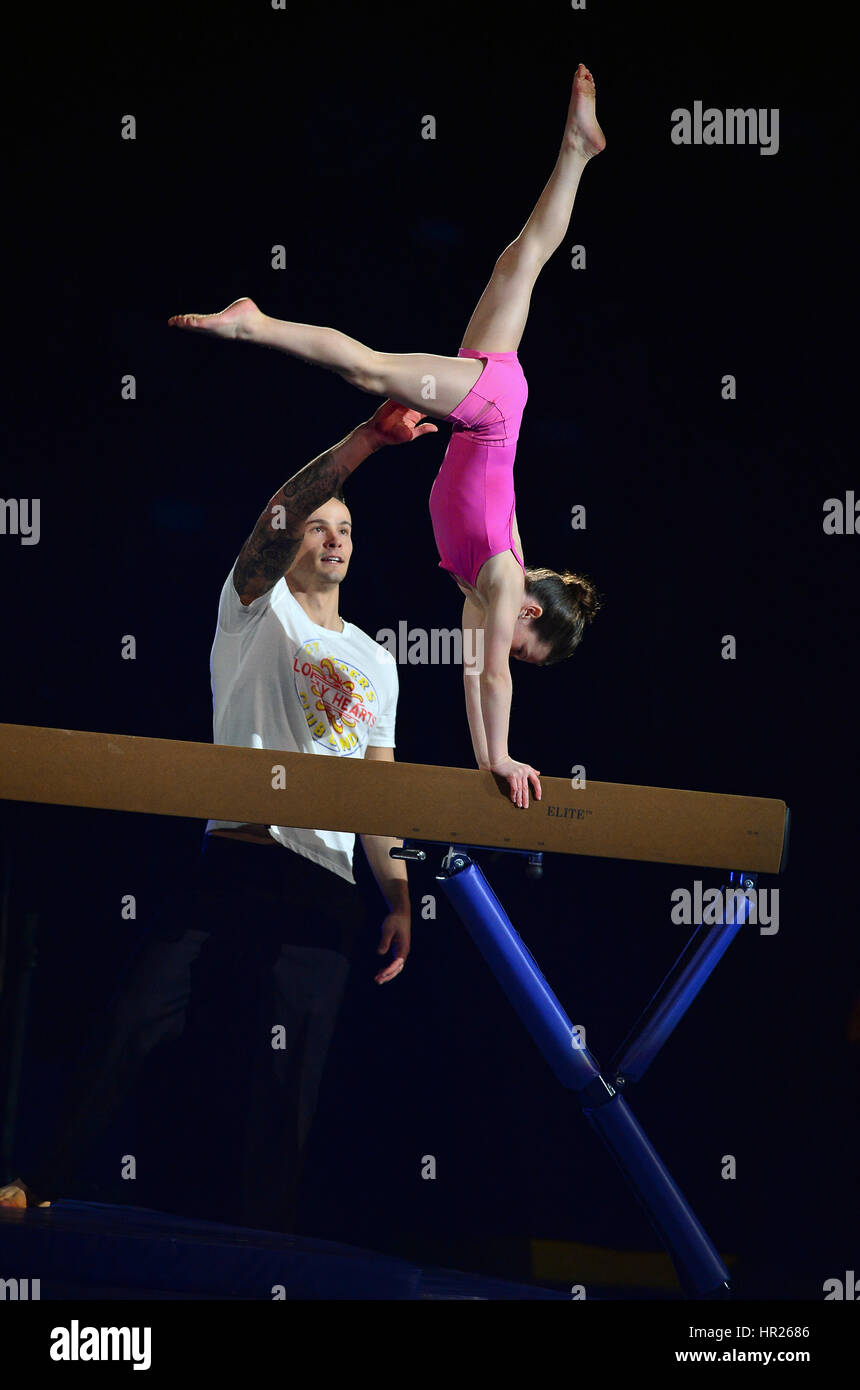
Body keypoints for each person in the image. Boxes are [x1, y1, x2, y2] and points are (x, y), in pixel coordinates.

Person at [0, 399, 429, 1230]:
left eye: (346, 528)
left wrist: (401, 897)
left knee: (288, 1076)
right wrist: (363, 444)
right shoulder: (252, 612)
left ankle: (264, 1250)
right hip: (237, 862)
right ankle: (40, 1179)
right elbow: (273, 519)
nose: (333, 537)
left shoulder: (379, 661)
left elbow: (382, 793)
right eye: (319, 525)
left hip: (325, 883)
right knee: (133, 1020)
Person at [168, 64, 606, 810]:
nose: (509, 652)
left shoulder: (479, 589)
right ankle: (256, 322)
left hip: (488, 397)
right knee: (370, 372)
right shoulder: (502, 579)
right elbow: (495, 674)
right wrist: (504, 753)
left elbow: (474, 676)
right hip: (489, 407)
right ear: (528, 612)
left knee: (523, 259)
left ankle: (577, 148)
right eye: (525, 647)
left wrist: (486, 762)